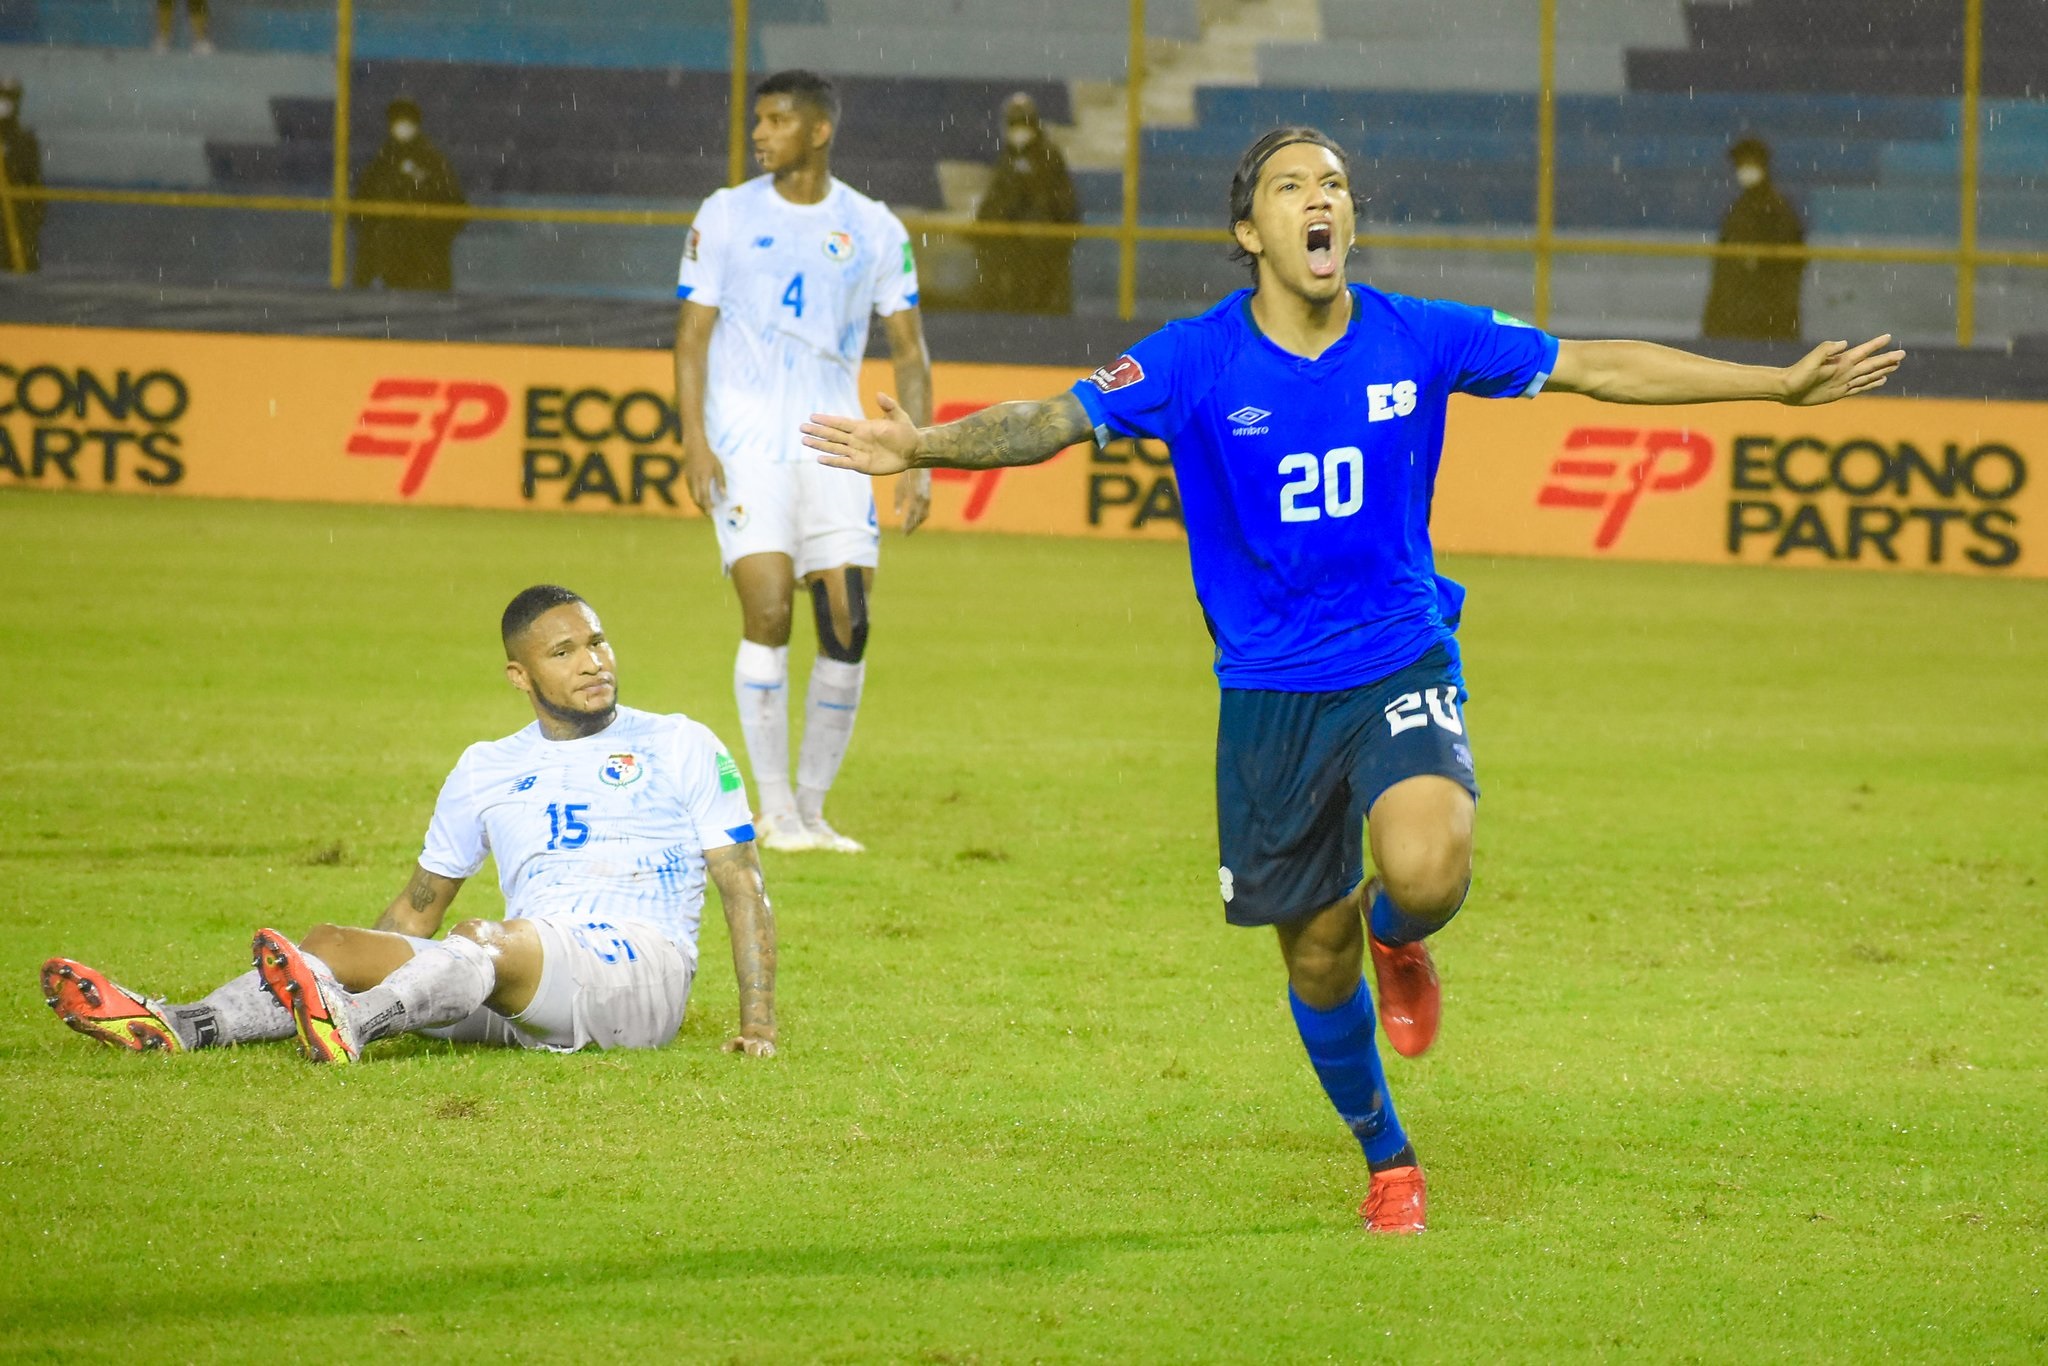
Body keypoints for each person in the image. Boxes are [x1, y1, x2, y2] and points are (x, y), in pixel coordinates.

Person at [804, 126, 1903, 1233]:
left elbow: (1590, 363)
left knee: (1426, 870)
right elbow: (1051, 419)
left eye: (1332, 183)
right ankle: (1387, 1155)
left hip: (1396, 653)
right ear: (1250, 232)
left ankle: (1399, 930)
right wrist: (921, 446)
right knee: (1316, 957)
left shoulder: (1415, 334)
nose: (1318, 199)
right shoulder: (1191, 360)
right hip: (1269, 693)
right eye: (1291, 186)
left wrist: (1775, 385)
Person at [41, 585, 779, 1064]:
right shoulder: (486, 765)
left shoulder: (681, 742)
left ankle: (352, 1026)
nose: (593, 663)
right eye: (565, 653)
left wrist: (758, 1025)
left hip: (640, 974)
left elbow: (742, 884)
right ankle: (180, 1025)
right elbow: (418, 908)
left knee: (484, 941)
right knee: (332, 944)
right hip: (524, 978)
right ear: (520, 676)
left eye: (597, 642)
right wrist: (349, 961)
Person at [674, 69, 934, 854]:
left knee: (848, 623)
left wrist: (918, 456)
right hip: (746, 442)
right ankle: (776, 810)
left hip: (835, 444)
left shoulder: (873, 227)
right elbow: (691, 339)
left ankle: (814, 812)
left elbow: (910, 351)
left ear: (819, 131)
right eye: (758, 120)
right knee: (769, 612)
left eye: (777, 120)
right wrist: (694, 440)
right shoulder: (725, 214)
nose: (759, 134)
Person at [975, 92, 1080, 315]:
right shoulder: (1008, 158)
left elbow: (1063, 205)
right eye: (1013, 123)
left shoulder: (1049, 155)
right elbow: (995, 201)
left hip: (1043, 251)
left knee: (1042, 303)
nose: (1019, 130)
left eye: (1023, 122)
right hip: (1012, 252)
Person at [351, 98, 467, 292]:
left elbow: (456, 207)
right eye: (397, 120)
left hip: (425, 259)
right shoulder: (381, 163)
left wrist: (431, 235)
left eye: (407, 120)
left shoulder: (433, 162)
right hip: (387, 259)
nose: (402, 126)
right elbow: (360, 209)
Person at [1703, 135, 1806, 342]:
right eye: (1740, 165)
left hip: (1765, 318)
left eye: (1749, 164)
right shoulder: (1739, 208)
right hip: (1736, 316)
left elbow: (1789, 266)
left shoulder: (1777, 209)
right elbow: (1724, 266)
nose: (1744, 170)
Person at [0, 77, 44, 273]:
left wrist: (32, 221)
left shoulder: (24, 141)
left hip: (18, 225)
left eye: (9, 98)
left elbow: (34, 182)